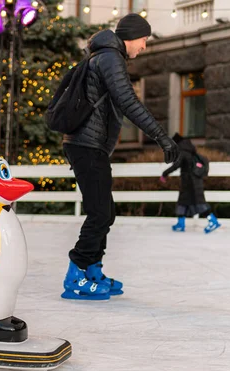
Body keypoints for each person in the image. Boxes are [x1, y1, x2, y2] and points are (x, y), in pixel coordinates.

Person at [60, 13, 179, 300]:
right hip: (87, 146)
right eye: (144, 40)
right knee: (100, 213)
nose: (144, 46)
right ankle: (76, 274)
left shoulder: (105, 56)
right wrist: (162, 137)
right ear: (131, 36)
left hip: (90, 146)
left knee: (105, 212)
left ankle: (92, 270)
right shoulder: (110, 58)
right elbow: (128, 102)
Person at [161, 133, 220, 233]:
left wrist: (165, 173)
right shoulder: (190, 151)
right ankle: (181, 224)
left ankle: (213, 221)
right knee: (182, 203)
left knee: (199, 203)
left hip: (190, 183)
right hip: (191, 182)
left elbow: (176, 165)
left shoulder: (183, 152)